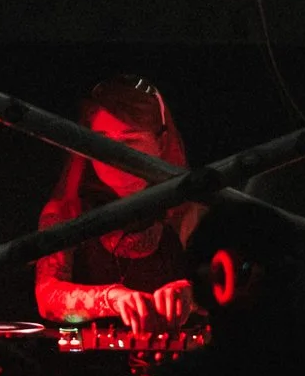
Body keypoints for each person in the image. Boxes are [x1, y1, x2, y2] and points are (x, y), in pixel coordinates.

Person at [35, 76, 205, 331]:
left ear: (161, 142)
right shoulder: (65, 210)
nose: (114, 159)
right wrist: (111, 298)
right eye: (102, 142)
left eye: (131, 142)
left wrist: (191, 293)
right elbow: (47, 295)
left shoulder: (187, 212)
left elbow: (229, 288)